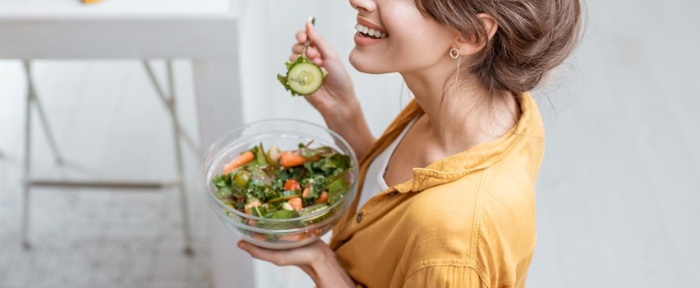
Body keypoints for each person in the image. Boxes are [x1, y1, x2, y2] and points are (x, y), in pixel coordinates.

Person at [237, 0, 582, 287]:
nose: (359, 1)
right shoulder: (497, 108)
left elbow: (430, 227)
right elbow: (394, 202)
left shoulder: (451, 244)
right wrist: (343, 111)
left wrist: (321, 263)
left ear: (470, 34)